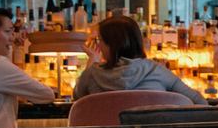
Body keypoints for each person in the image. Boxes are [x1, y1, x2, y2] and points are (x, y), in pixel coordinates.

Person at [72, 14, 207, 103]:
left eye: (99, 40)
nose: (98, 45)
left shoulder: (92, 75)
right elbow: (198, 101)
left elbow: (78, 102)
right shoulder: (156, 70)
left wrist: (92, 61)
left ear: (110, 45)